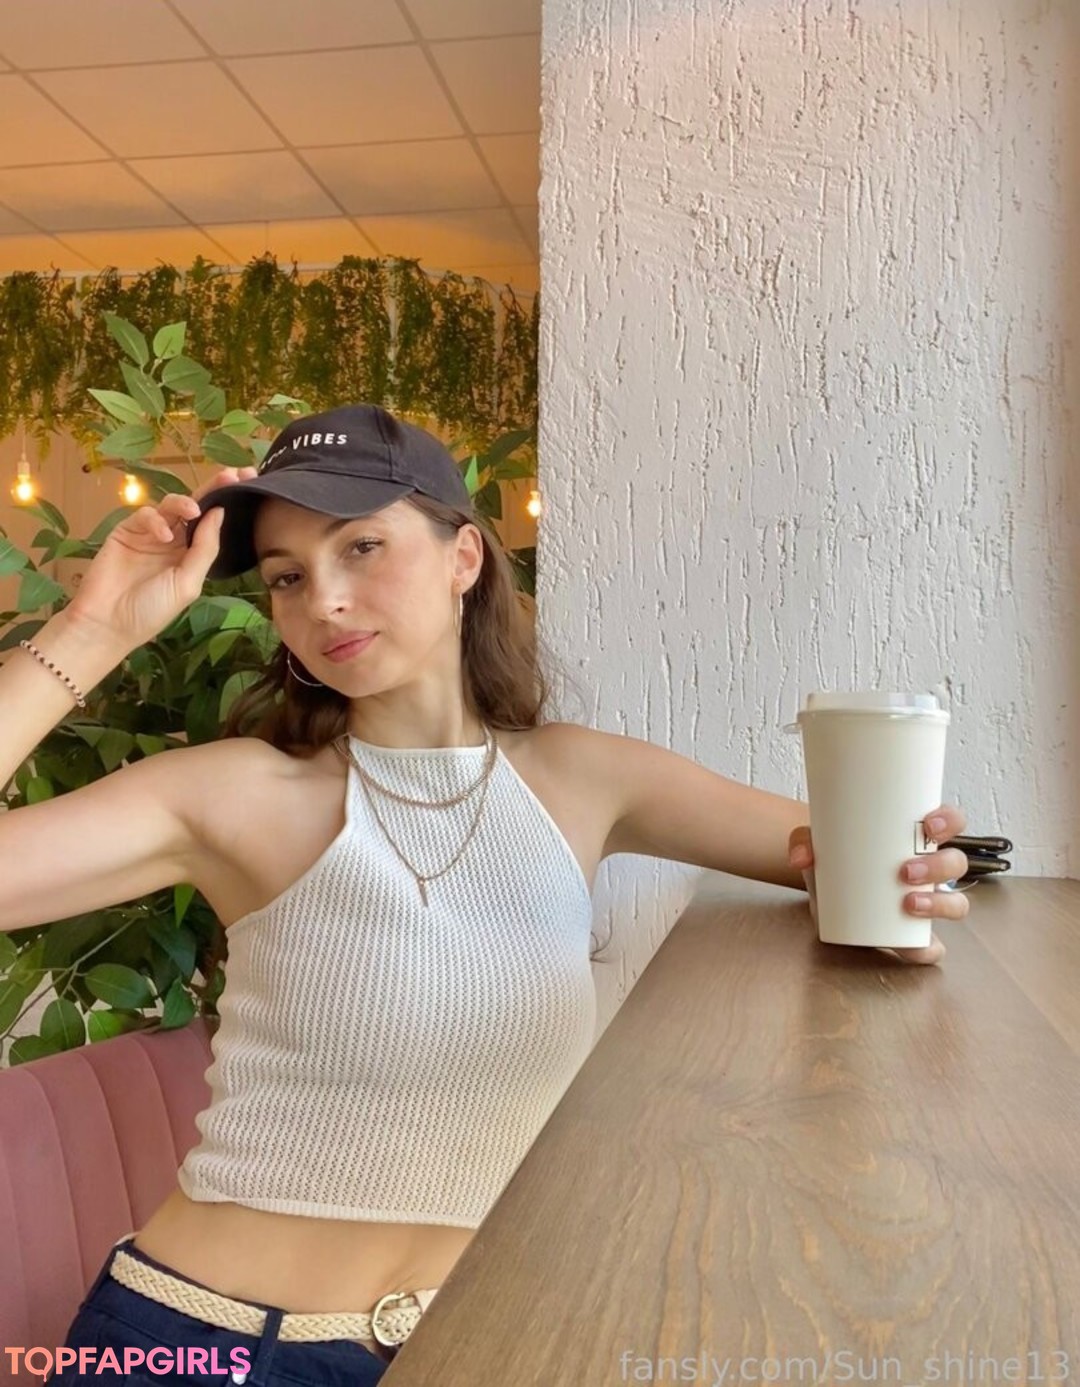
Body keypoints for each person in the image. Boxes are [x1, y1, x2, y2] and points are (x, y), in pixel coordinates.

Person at [0, 404, 970, 1385]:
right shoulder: (233, 796)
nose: (324, 600)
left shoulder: (583, 779)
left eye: (361, 547)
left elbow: (862, 857)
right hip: (198, 1344)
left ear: (463, 556)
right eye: (288, 576)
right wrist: (93, 629)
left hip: (489, 1344)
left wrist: (910, 888)